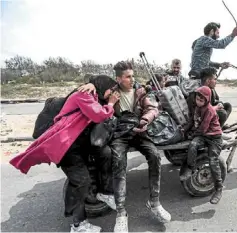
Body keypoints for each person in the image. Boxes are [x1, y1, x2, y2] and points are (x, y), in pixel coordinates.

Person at [9, 75, 120, 233]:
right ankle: (78, 225)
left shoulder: (94, 95)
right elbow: (99, 115)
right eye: (112, 89)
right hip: (66, 145)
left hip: (75, 143)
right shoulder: (84, 94)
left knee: (101, 159)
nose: (112, 92)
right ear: (103, 85)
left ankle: (103, 194)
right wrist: (110, 104)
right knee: (81, 182)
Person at [81, 61, 171, 233]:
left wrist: (145, 120)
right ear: (119, 78)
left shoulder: (140, 90)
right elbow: (93, 82)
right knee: (119, 164)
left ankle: (155, 202)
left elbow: (152, 108)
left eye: (132, 75)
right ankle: (121, 214)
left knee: (154, 155)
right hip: (119, 134)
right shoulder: (111, 91)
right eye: (128, 76)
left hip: (139, 130)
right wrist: (91, 83)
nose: (132, 79)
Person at [180, 86, 224, 204]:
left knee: (213, 161)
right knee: (193, 145)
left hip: (214, 138)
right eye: (197, 99)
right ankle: (190, 168)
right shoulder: (197, 108)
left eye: (201, 100)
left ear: (207, 100)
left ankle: (219, 188)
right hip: (203, 136)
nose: (198, 102)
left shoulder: (209, 110)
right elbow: (192, 121)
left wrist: (192, 134)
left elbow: (203, 128)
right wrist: (184, 130)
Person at [186, 67, 232, 137]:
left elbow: (214, 101)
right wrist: (216, 107)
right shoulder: (198, 93)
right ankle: (216, 133)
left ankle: (219, 127)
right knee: (222, 113)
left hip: (209, 114)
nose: (216, 81)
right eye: (215, 79)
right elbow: (199, 113)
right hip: (200, 119)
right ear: (208, 81)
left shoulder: (211, 89)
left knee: (228, 105)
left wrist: (219, 104)